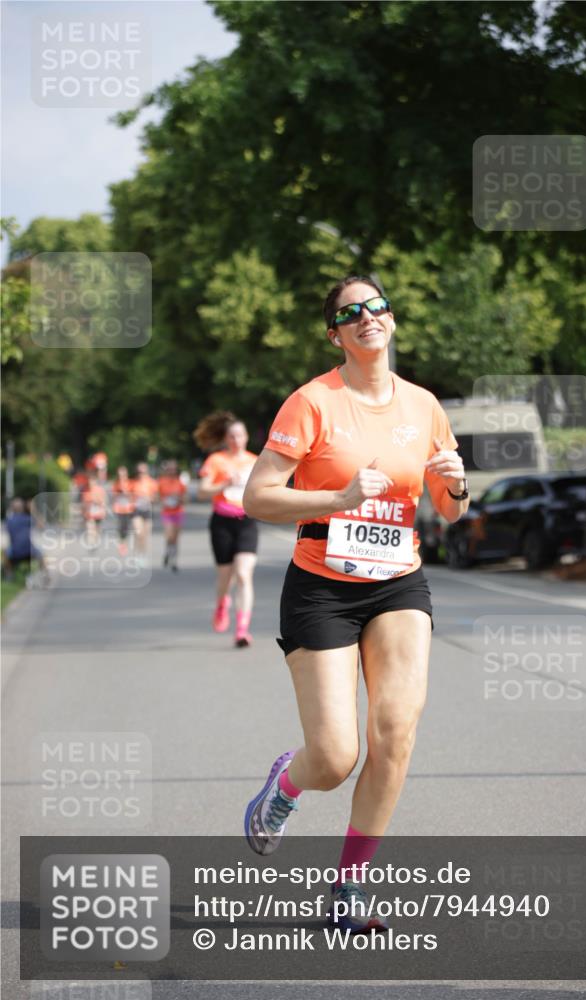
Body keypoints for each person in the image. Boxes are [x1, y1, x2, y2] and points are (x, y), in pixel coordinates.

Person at [242, 276, 469, 933]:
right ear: (334, 332)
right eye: (350, 312)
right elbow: (257, 496)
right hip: (321, 586)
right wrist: (336, 500)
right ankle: (287, 784)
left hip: (398, 580)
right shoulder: (311, 402)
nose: (367, 317)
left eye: (376, 306)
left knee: (395, 732)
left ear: (390, 320)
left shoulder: (424, 406)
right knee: (336, 757)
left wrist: (456, 490)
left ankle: (348, 887)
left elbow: (450, 512)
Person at [194, 412, 259, 646]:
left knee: (243, 573)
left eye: (240, 435)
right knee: (226, 576)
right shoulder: (216, 461)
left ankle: (242, 629)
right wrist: (224, 483)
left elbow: (265, 489)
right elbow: (202, 491)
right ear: (225, 438)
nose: (236, 440)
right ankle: (222, 603)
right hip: (222, 522)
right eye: (232, 436)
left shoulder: (255, 461)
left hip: (247, 521)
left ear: (246, 437)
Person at [2, 497, 46, 580]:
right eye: (16, 505)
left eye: (19, 505)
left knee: (40, 553)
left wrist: (33, 510)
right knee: (5, 552)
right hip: (15, 550)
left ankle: (44, 575)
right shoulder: (9, 520)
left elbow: (41, 526)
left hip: (28, 549)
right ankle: (9, 575)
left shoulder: (27, 518)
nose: (18, 507)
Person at [157, 460, 187, 571]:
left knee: (175, 538)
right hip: (167, 512)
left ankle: (174, 560)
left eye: (173, 469)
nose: (171, 471)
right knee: (169, 536)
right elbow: (157, 496)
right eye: (169, 469)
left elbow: (186, 499)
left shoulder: (180, 483)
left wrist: (179, 498)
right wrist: (163, 500)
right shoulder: (161, 482)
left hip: (178, 512)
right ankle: (167, 551)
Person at [132, 462, 158, 567]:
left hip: (148, 510)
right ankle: (137, 554)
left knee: (145, 535)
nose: (141, 474)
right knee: (138, 533)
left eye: (143, 472)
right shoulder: (133, 483)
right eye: (139, 472)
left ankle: (143, 555)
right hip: (137, 510)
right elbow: (129, 497)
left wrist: (150, 498)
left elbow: (157, 498)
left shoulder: (152, 483)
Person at [111, 466, 135, 557]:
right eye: (120, 474)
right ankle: (122, 544)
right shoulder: (116, 484)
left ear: (126, 474)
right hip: (119, 509)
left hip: (128, 509)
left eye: (123, 474)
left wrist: (127, 493)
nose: (121, 476)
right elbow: (114, 496)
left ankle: (124, 542)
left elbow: (134, 496)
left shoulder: (131, 483)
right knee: (120, 527)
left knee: (127, 527)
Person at [81, 470, 108, 549]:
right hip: (89, 514)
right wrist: (83, 511)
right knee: (90, 528)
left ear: (95, 481)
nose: (90, 482)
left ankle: (95, 541)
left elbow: (103, 502)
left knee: (97, 530)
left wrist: (97, 503)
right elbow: (83, 503)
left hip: (98, 513)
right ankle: (91, 543)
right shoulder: (85, 490)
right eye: (89, 480)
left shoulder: (99, 490)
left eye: (92, 480)